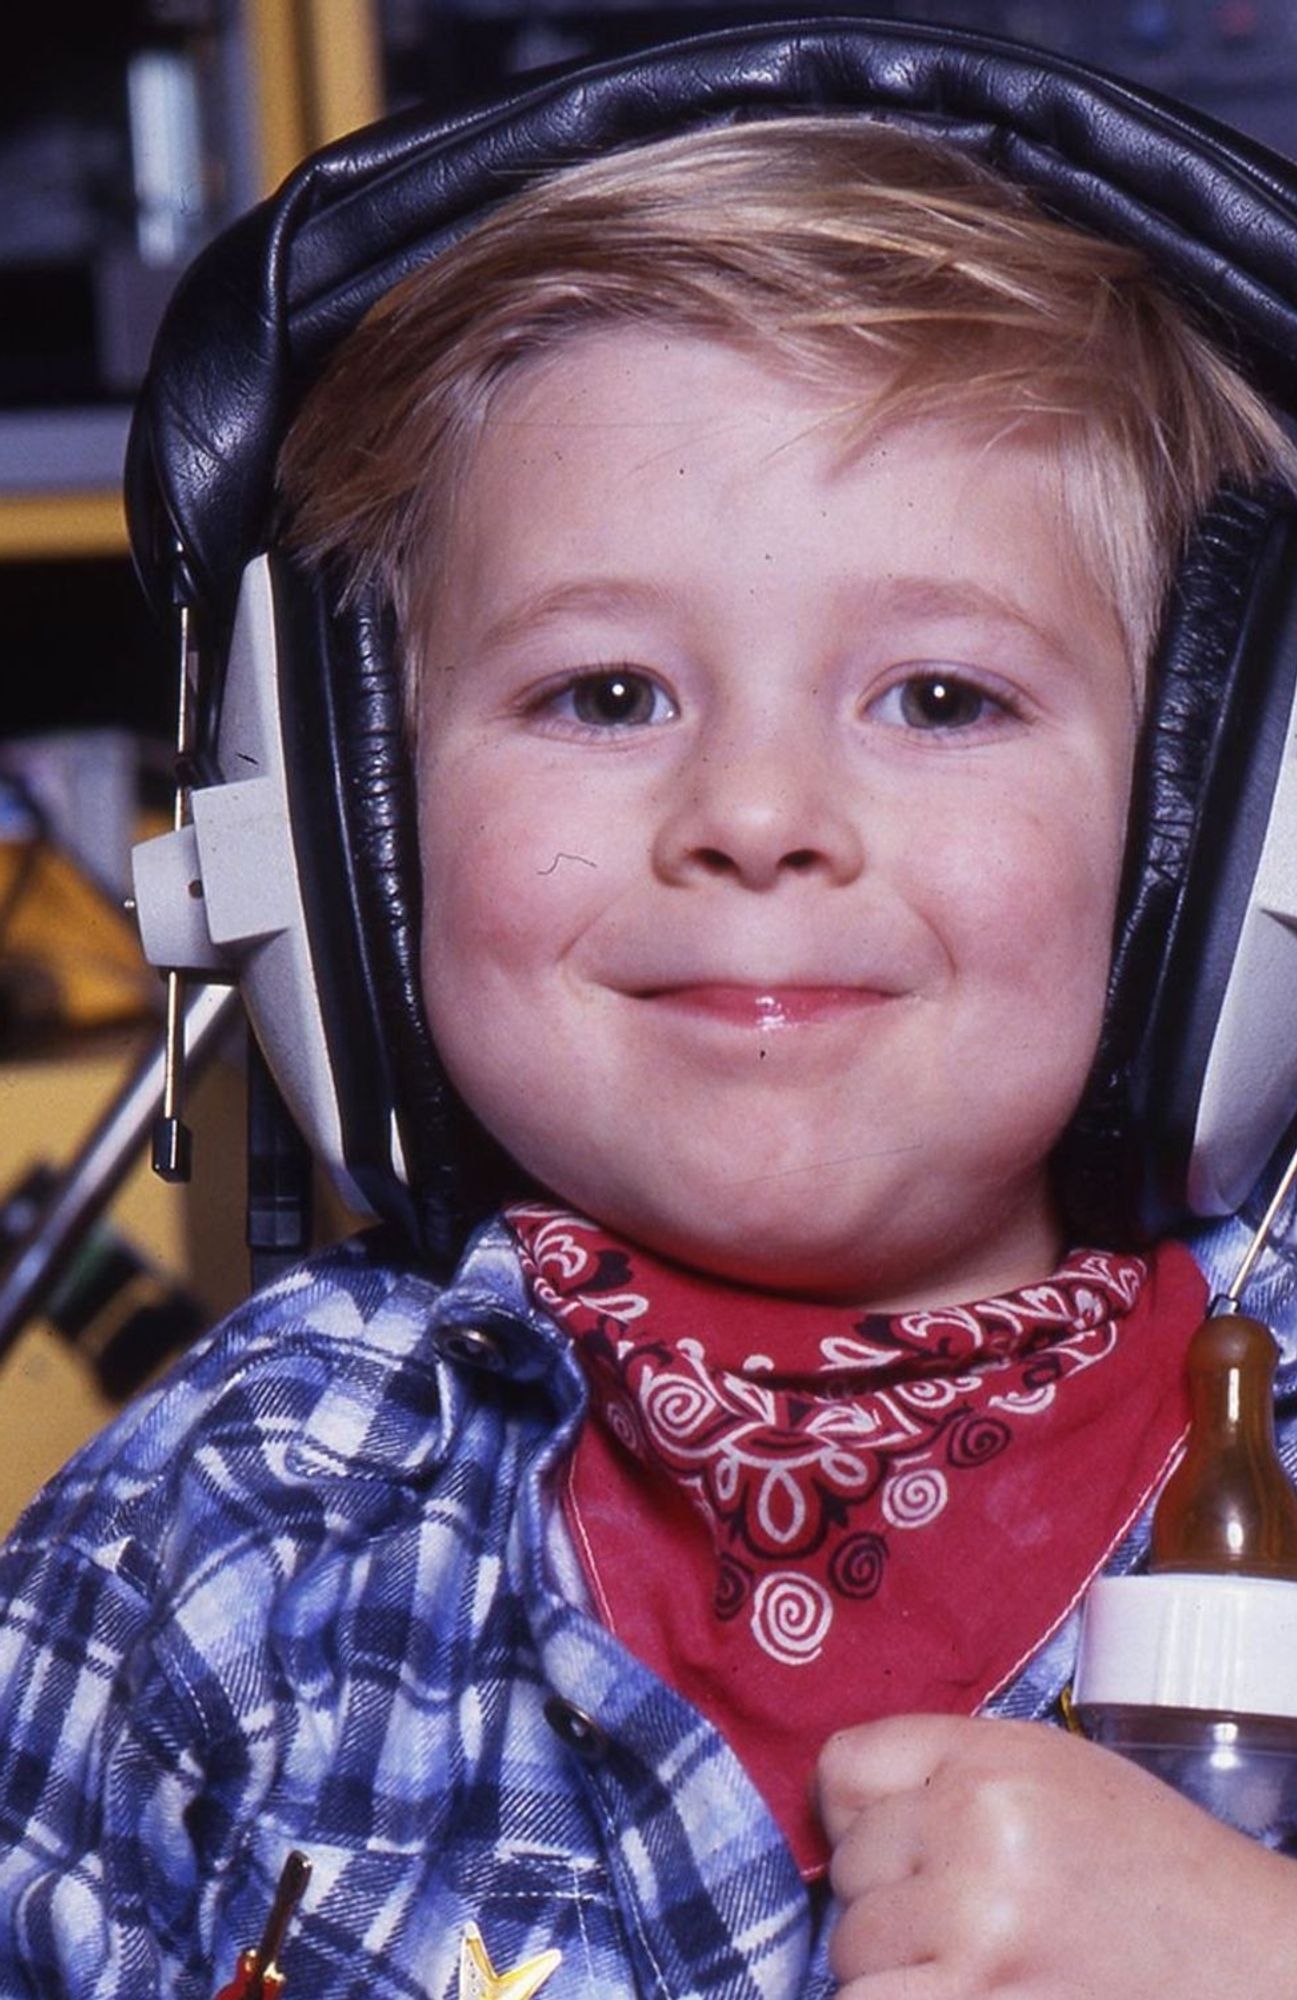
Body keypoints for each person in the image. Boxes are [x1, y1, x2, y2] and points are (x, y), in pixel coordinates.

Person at [1, 106, 1296, 2000]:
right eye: (601, 694)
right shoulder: (222, 1531)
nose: (757, 813)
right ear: (343, 834)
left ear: (1234, 821)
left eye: (941, 697)